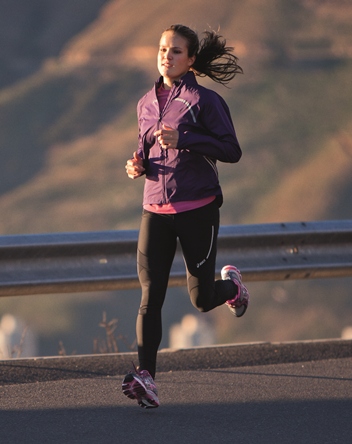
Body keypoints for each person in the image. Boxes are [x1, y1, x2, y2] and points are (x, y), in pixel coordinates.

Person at [121, 24, 249, 409]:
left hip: (197, 209)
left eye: (176, 51)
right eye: (163, 49)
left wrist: (186, 139)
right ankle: (146, 378)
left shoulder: (205, 101)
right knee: (150, 296)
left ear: (191, 59)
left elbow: (232, 150)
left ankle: (232, 288)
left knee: (201, 299)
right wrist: (137, 166)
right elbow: (145, 149)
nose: (167, 56)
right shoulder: (145, 102)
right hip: (154, 210)